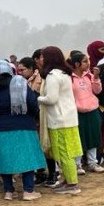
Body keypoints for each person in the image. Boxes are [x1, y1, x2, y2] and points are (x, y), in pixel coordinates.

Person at [0, 60, 45, 200]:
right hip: (24, 127)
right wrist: (32, 117)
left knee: (5, 160)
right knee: (27, 158)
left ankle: (9, 191)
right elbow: (33, 104)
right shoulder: (20, 84)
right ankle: (28, 191)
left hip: (0, 130)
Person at [37, 46, 82, 194]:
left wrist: (37, 97)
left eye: (43, 57)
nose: (40, 59)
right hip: (67, 117)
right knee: (65, 152)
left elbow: (52, 99)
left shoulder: (52, 76)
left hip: (59, 119)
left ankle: (72, 184)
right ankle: (67, 179)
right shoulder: (63, 73)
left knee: (64, 152)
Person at [68, 51, 104, 173]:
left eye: (88, 61)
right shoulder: (69, 78)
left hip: (92, 110)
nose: (88, 64)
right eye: (85, 61)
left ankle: (92, 162)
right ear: (77, 64)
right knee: (78, 137)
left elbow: (97, 91)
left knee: (93, 136)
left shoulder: (89, 76)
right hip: (77, 112)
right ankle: (78, 164)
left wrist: (97, 78)